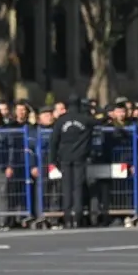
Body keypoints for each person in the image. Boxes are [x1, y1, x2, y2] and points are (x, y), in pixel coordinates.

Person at [47, 97, 98, 228]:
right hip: (80, 158)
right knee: (78, 187)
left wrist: (52, 160)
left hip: (64, 158)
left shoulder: (61, 120)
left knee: (67, 187)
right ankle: (78, 216)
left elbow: (53, 141)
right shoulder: (85, 119)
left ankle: (67, 216)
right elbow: (98, 121)